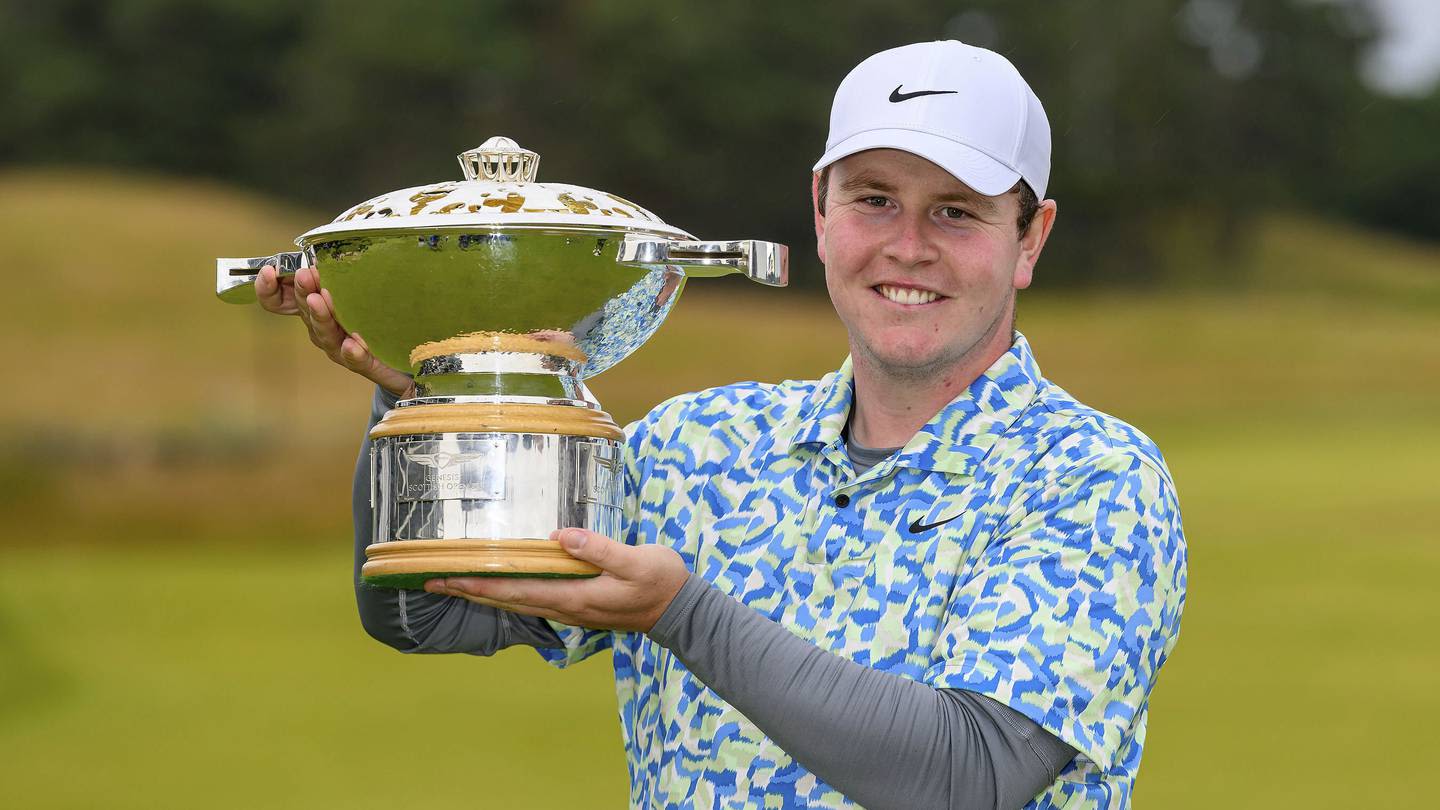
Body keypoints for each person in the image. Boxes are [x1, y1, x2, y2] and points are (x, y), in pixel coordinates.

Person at [257, 41, 1186, 810]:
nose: (909, 245)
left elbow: (967, 774)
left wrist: (680, 614)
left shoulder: (1097, 480)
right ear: (818, 210)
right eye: (874, 199)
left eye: (956, 211)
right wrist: (437, 399)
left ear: (1032, 239)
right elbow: (425, 615)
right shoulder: (694, 447)